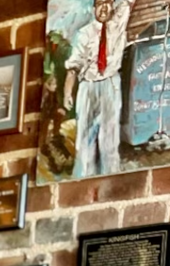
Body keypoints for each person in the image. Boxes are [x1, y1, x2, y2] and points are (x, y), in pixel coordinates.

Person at [65, 0, 130, 179]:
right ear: (94, 7)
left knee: (109, 135)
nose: (104, 8)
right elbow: (73, 66)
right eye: (100, 3)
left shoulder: (118, 24)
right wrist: (68, 92)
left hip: (110, 83)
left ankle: (111, 177)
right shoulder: (84, 34)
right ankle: (83, 177)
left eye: (108, 3)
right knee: (85, 134)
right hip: (88, 85)